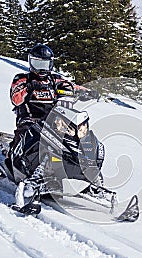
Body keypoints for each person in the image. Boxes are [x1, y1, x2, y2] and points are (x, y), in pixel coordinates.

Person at [6, 44, 97, 209]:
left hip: (55, 122)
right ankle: (26, 175)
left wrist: (87, 92)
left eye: (45, 64)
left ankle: (94, 181)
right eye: (38, 63)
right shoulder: (22, 79)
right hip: (30, 120)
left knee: (79, 140)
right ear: (31, 62)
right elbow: (16, 98)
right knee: (32, 136)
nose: (42, 69)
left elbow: (72, 87)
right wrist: (30, 88)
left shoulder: (54, 79)